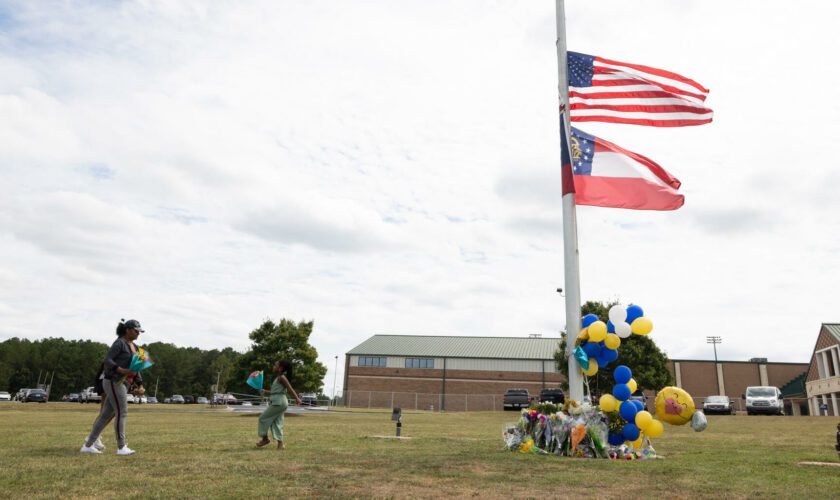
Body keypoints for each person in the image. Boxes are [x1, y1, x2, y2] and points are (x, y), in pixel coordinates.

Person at [80, 319, 145, 455]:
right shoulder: (119, 343)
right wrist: (120, 369)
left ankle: (87, 445)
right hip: (113, 381)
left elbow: (137, 367)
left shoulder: (136, 347)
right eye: (136, 331)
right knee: (122, 412)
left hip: (123, 383)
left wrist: (140, 384)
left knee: (106, 415)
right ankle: (121, 447)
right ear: (127, 330)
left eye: (139, 332)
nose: (138, 334)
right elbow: (107, 360)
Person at [256, 359, 302, 450]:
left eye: (275, 365)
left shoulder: (282, 377)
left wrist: (297, 398)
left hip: (279, 402)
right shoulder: (278, 378)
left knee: (263, 418)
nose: (273, 366)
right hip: (279, 402)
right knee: (277, 422)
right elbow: (275, 392)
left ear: (280, 369)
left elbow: (290, 388)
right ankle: (280, 444)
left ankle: (265, 439)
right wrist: (265, 391)